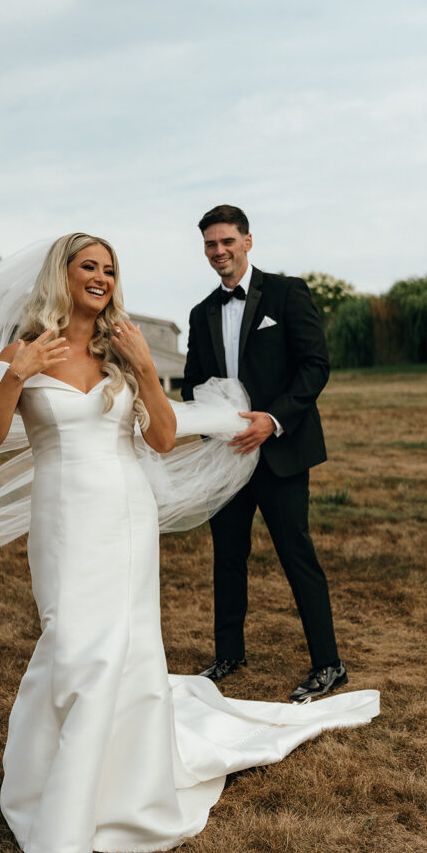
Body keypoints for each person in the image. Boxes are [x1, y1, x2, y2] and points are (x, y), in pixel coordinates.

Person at [0, 232, 377, 853]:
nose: (101, 278)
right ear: (62, 275)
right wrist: (16, 375)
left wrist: (148, 371)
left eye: (109, 269)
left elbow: (159, 439)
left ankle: (109, 800)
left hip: (126, 513)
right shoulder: (22, 350)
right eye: (88, 267)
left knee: (120, 651)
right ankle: (53, 784)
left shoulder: (122, 350)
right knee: (71, 642)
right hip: (63, 519)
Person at [182, 205, 346, 701]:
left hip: (280, 451)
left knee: (297, 556)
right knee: (227, 558)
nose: (219, 252)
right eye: (210, 244)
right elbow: (192, 382)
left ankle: (329, 664)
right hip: (226, 457)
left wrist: (272, 421)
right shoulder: (200, 312)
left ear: (247, 242)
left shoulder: (287, 292)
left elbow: (315, 366)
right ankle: (229, 652)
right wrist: (214, 422)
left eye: (227, 241)